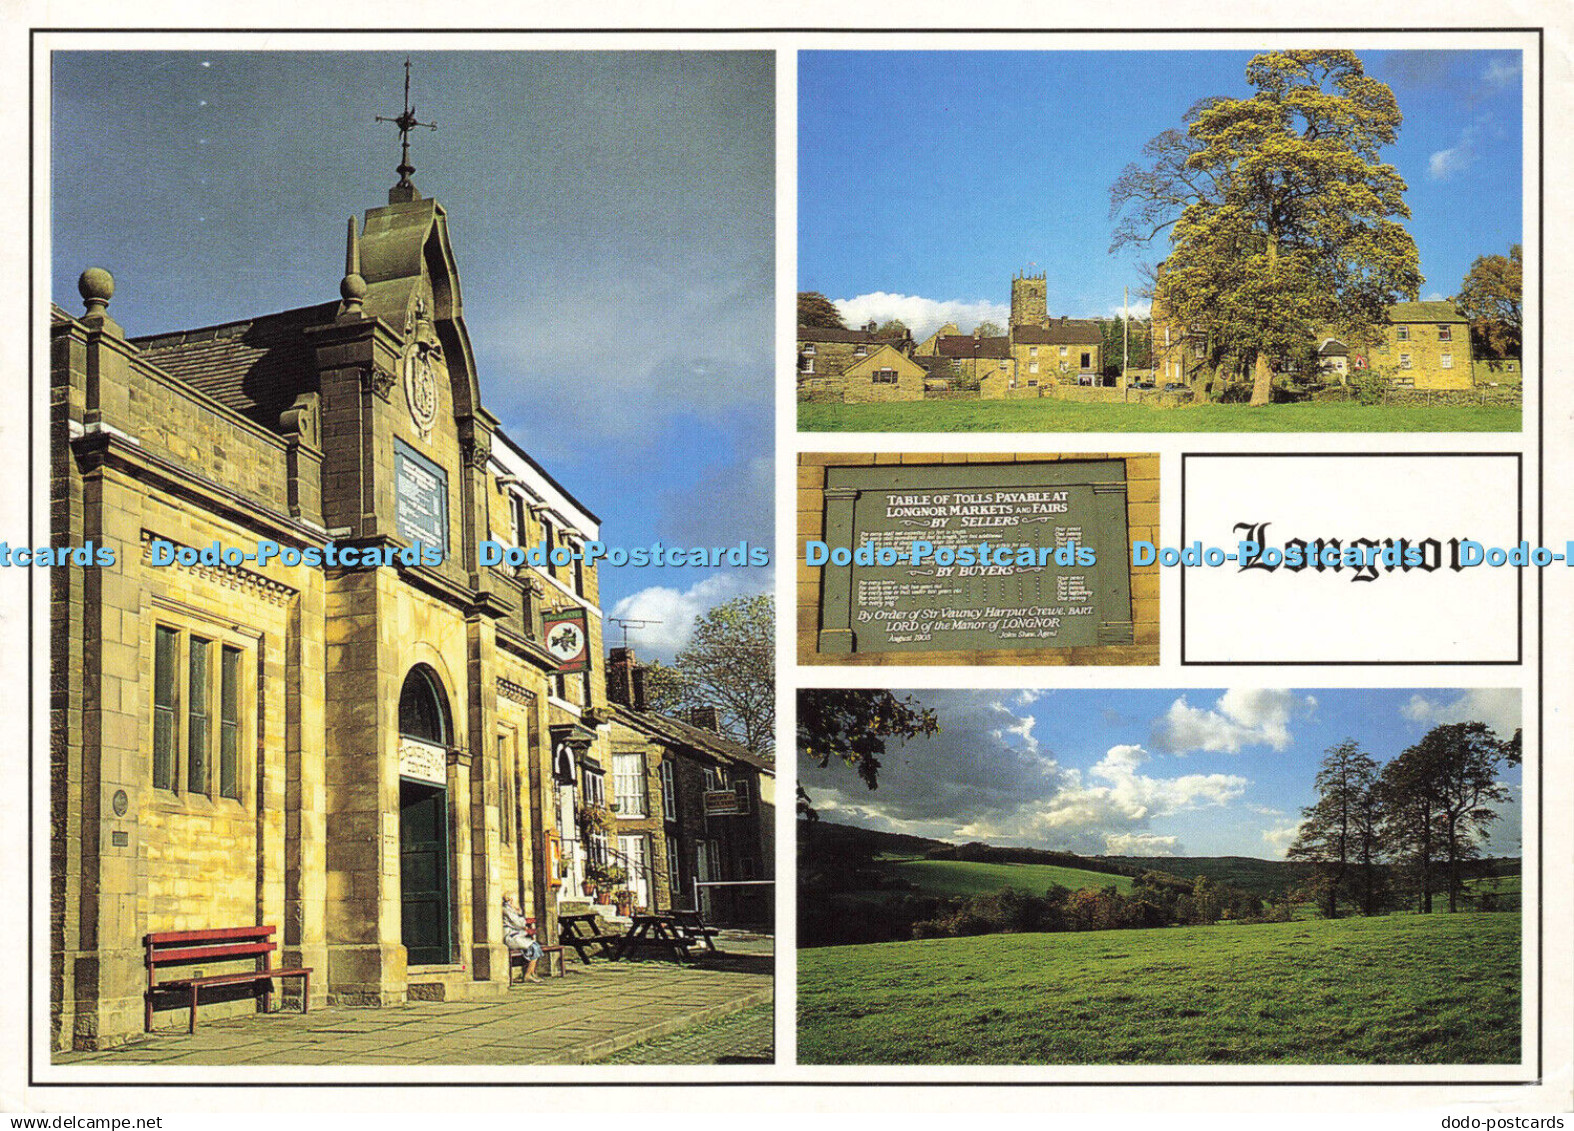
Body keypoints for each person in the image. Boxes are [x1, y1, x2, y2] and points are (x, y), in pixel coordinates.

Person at [502, 894, 543, 983]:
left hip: (516, 935)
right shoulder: (506, 910)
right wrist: (524, 922)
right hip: (510, 936)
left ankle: (531, 972)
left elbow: (518, 919)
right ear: (510, 900)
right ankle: (528, 974)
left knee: (535, 945)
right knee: (534, 946)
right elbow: (517, 922)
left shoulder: (510, 910)